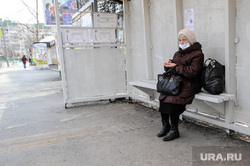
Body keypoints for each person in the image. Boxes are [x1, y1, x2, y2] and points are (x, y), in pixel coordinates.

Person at [157, 29, 204, 141]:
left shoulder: (198, 54)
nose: (182, 42)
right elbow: (172, 70)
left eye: (184, 40)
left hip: (190, 83)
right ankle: (165, 126)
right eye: (180, 40)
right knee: (162, 98)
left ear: (191, 40)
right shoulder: (177, 53)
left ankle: (174, 130)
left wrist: (176, 66)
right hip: (177, 82)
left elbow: (193, 71)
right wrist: (168, 64)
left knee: (173, 100)